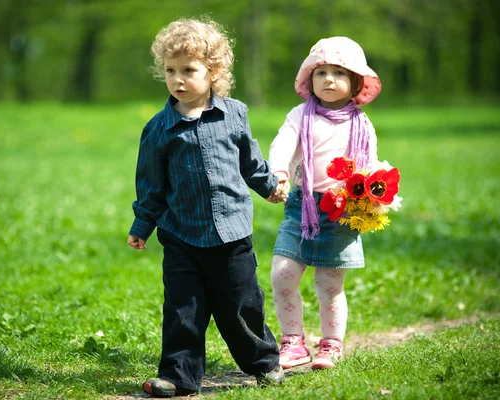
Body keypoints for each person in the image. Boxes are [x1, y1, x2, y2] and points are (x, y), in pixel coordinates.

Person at [128, 17, 288, 398]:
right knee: (183, 310)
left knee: (241, 305)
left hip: (231, 233)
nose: (177, 80)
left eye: (188, 70)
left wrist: (269, 187)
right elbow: (151, 184)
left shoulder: (234, 114)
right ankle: (178, 376)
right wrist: (142, 224)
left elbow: (251, 162)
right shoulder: (158, 129)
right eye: (170, 71)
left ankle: (264, 363)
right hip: (181, 234)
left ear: (213, 71)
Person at [268, 36, 383, 370]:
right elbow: (283, 143)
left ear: (356, 83)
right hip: (301, 205)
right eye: (321, 73)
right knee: (283, 272)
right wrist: (278, 171)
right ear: (310, 79)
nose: (329, 80)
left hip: (342, 210)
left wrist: (374, 195)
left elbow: (370, 165)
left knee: (330, 283)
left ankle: (331, 345)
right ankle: (293, 341)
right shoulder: (301, 115)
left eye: (339, 73)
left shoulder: (361, 125)